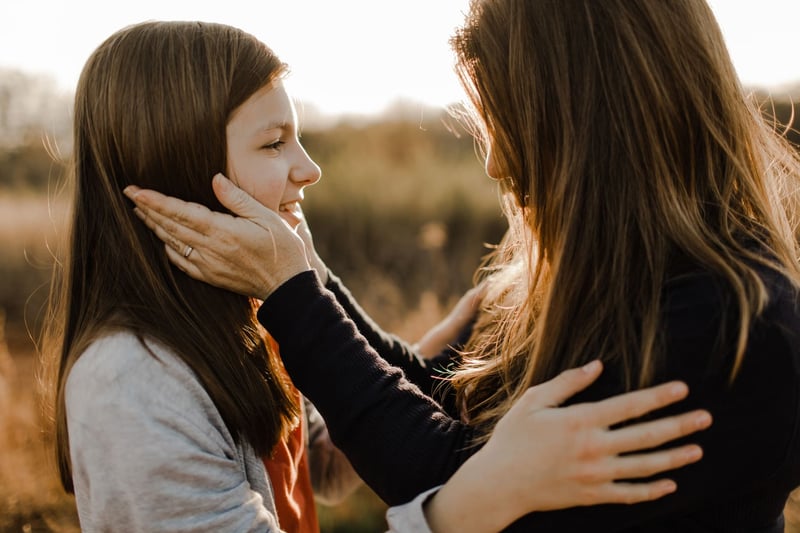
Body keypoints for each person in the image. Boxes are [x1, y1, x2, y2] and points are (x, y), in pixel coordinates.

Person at [127, 0, 800, 531]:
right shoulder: (610, 282)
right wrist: (305, 274)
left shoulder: (733, 332)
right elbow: (443, 406)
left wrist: (295, 294)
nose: (496, 163)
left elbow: (457, 479)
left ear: (592, 125)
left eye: (512, 123)